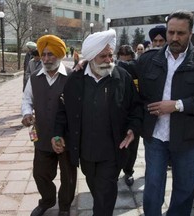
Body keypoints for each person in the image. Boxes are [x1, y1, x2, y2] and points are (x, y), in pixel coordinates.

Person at [137, 10, 194, 216]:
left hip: (190, 139)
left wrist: (177, 105)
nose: (174, 38)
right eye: (171, 32)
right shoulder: (149, 59)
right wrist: (86, 63)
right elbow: (124, 76)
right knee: (152, 188)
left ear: (191, 33)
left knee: (185, 190)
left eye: (180, 33)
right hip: (156, 138)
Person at [52, 29, 142, 216]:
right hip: (85, 152)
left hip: (112, 151)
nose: (109, 60)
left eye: (110, 55)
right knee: (96, 187)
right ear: (91, 57)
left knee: (105, 193)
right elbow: (63, 111)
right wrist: (57, 133)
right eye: (103, 56)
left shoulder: (122, 77)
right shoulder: (75, 80)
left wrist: (133, 128)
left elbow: (136, 107)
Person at [21, 34, 77, 216]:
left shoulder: (72, 77)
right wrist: (27, 113)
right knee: (40, 173)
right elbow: (27, 99)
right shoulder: (35, 78)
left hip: (66, 137)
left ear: (60, 54)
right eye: (43, 54)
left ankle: (64, 206)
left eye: (51, 54)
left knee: (68, 176)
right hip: (42, 134)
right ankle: (47, 200)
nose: (46, 59)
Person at [116, 45, 140, 186]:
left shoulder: (137, 67)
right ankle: (115, 170)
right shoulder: (112, 67)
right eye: (122, 56)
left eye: (127, 56)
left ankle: (128, 171)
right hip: (117, 113)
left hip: (133, 111)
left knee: (132, 146)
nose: (125, 60)